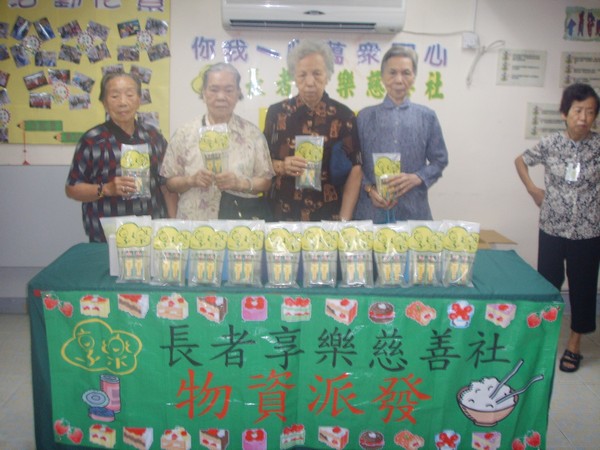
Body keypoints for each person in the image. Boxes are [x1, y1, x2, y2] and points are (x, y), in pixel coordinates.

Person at [515, 83, 600, 373]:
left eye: (590, 112)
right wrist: (532, 190)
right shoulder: (551, 143)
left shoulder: (598, 146)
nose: (584, 118)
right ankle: (543, 337)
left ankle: (574, 344)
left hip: (588, 231)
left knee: (583, 286)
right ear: (565, 113)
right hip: (552, 226)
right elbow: (521, 161)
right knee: (547, 283)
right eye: (578, 110)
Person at [66, 72, 176, 242]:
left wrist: (173, 224)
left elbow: (166, 185)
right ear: (104, 102)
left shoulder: (154, 137)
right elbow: (72, 189)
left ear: (139, 99)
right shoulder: (92, 140)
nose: (123, 102)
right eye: (114, 96)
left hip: (152, 232)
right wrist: (106, 189)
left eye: (130, 95)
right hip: (107, 235)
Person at [264, 40, 362, 221]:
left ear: (328, 75)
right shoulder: (277, 113)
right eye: (302, 74)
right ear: (294, 76)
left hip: (328, 215)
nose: (310, 82)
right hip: (283, 213)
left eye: (317, 73)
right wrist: (282, 166)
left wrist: (344, 221)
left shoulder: (344, 116)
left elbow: (356, 168)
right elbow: (262, 161)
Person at [161, 62, 274, 220]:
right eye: (214, 90)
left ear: (238, 93)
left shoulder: (252, 134)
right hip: (194, 224)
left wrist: (239, 183)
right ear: (204, 93)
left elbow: (265, 182)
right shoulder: (185, 134)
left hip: (239, 225)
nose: (221, 97)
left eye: (229, 90)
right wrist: (191, 180)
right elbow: (170, 182)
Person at [353, 46, 448, 223]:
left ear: (414, 77)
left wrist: (417, 177)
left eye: (406, 73)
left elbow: (440, 160)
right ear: (382, 76)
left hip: (413, 211)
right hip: (371, 212)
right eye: (392, 72)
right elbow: (354, 164)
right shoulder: (364, 117)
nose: (399, 79)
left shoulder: (427, 117)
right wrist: (369, 189)